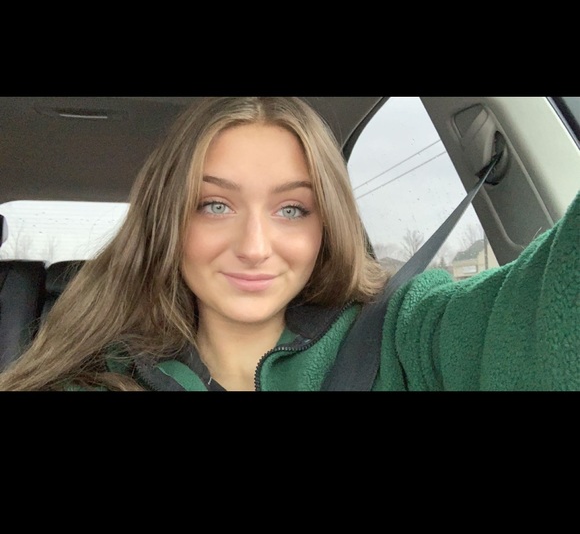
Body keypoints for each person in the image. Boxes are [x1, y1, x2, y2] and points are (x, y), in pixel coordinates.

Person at [0, 96, 578, 391]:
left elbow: (545, 321)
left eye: (292, 209)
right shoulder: (96, 376)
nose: (255, 247)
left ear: (327, 225)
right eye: (215, 205)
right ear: (168, 223)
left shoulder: (403, 336)